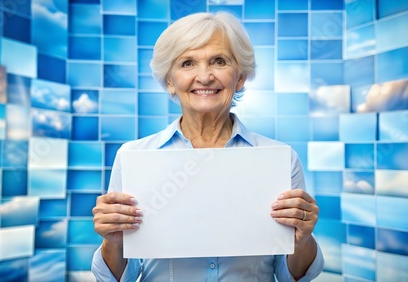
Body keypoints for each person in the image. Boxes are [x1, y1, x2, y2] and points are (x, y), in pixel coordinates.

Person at [92, 11, 324, 282]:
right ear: (170, 81)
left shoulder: (281, 160)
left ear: (239, 77)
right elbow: (121, 277)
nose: (204, 76)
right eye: (188, 63)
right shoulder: (133, 157)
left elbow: (290, 277)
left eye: (219, 61)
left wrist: (303, 238)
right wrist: (114, 241)